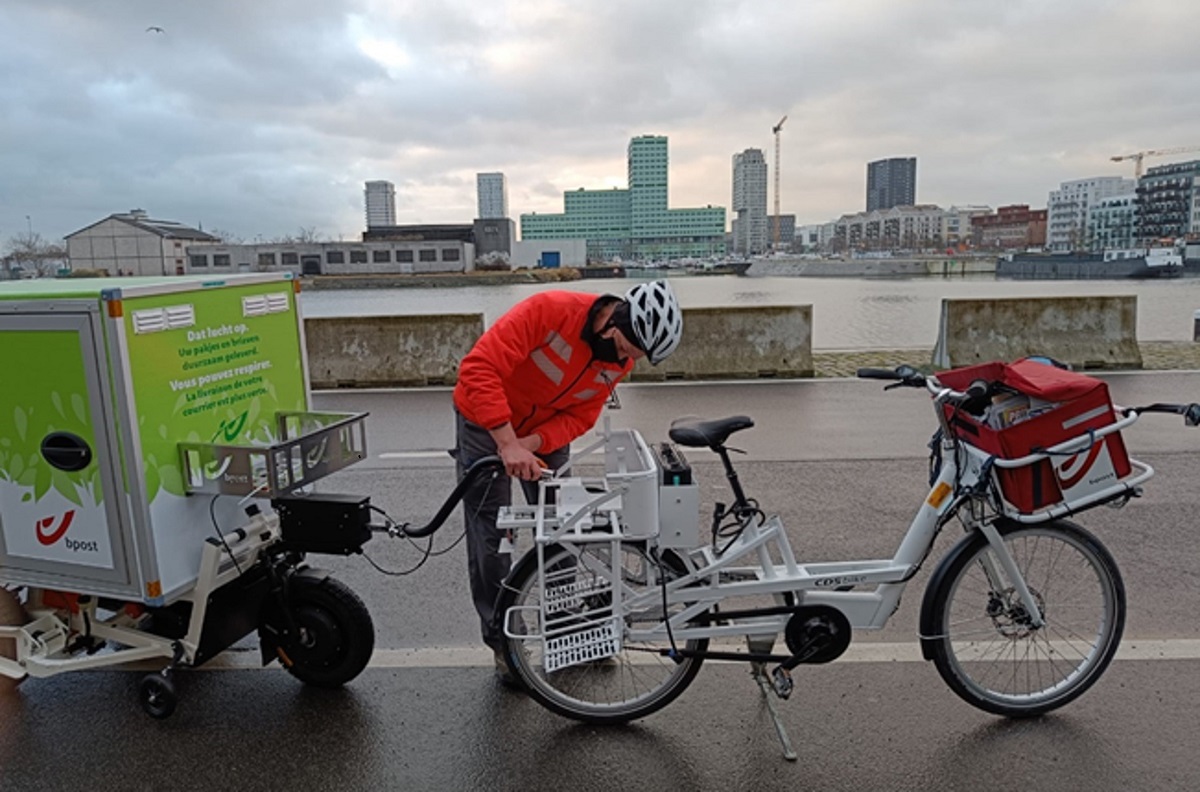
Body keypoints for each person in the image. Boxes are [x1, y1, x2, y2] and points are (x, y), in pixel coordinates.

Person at [451, 280, 684, 686]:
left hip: (540, 434)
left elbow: (580, 417)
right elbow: (478, 368)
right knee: (493, 534)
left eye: (636, 357)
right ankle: (504, 644)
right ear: (613, 322)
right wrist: (506, 442)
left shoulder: (618, 361)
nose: (627, 361)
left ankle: (564, 634)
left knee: (563, 528)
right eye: (627, 350)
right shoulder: (550, 311)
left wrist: (531, 443)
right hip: (484, 422)